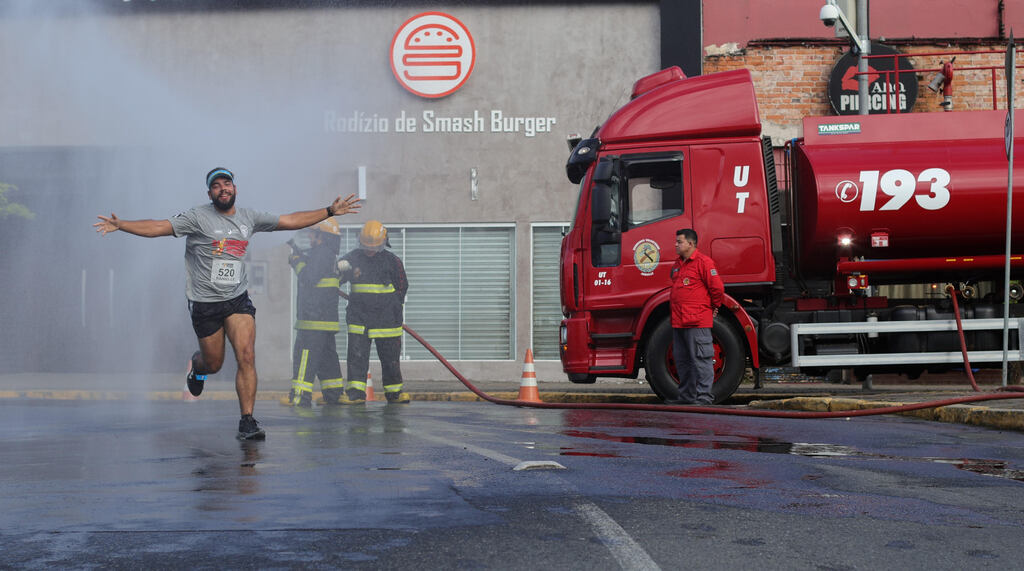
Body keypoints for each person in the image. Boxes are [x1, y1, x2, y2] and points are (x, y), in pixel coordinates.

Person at [93, 167, 361, 439]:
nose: (223, 188)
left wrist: (328, 210)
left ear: (235, 188)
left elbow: (289, 220)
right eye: (217, 185)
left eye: (227, 183)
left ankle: (247, 421)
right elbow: (159, 226)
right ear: (210, 193)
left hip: (237, 300)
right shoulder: (197, 217)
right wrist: (122, 224)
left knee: (246, 355)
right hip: (205, 303)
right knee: (214, 363)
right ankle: (197, 369)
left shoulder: (249, 217)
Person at [334, 220, 410, 405]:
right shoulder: (352, 259)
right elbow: (335, 279)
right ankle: (355, 394)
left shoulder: (392, 261)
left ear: (383, 243)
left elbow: (402, 286)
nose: (370, 250)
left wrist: (392, 306)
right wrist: (338, 269)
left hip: (387, 322)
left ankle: (395, 393)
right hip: (360, 319)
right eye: (367, 246)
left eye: (375, 247)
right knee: (357, 358)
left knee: (391, 360)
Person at [282, 218, 346, 408]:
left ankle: (299, 396)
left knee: (304, 358)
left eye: (312, 232)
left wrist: (296, 263)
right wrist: (302, 259)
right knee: (327, 359)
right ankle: (333, 394)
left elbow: (309, 278)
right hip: (325, 321)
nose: (309, 236)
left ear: (322, 235)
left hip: (313, 320)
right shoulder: (326, 255)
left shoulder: (321, 254)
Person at [664, 228, 724, 405]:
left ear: (690, 244)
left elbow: (717, 289)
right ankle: (687, 397)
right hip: (679, 321)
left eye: (679, 242)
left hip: (697, 321)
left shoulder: (703, 263)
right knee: (683, 361)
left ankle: (704, 398)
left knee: (702, 360)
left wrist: (713, 306)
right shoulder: (677, 265)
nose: (675, 244)